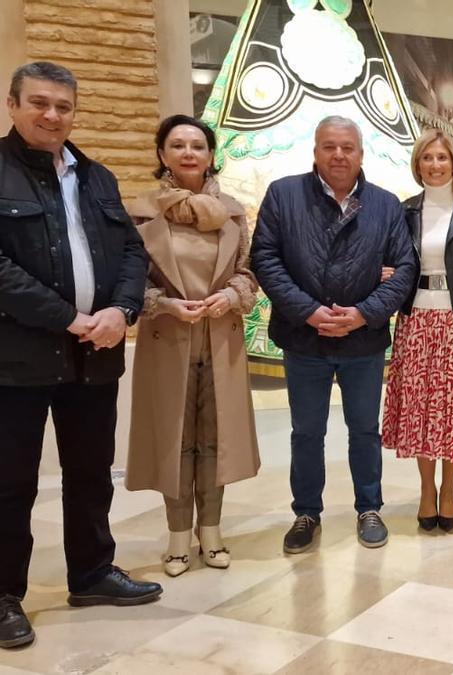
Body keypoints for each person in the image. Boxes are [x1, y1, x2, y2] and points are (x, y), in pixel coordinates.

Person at [0, 61, 160, 650]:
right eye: (39, 103)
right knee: (9, 481)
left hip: (95, 354)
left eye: (63, 106)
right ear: (13, 105)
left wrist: (122, 312)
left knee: (90, 474)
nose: (51, 115)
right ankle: (3, 596)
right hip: (15, 356)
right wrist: (67, 316)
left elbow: (131, 252)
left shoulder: (96, 177)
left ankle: (91, 572)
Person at [251, 116, 417, 554]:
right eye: (329, 146)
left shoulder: (386, 204)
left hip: (363, 341)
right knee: (306, 431)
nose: (338, 155)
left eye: (347, 147)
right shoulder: (284, 195)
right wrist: (308, 312)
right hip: (304, 340)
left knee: (364, 429)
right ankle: (306, 513)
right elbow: (265, 259)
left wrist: (364, 314)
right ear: (315, 151)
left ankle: (369, 508)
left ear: (361, 154)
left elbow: (405, 269)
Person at [124, 115, 261, 576]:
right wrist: (162, 304)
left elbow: (248, 272)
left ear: (210, 154)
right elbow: (125, 282)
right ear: (161, 153)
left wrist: (229, 295)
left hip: (220, 339)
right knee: (175, 440)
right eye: (177, 145)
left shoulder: (234, 213)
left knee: (215, 441)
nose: (188, 153)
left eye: (197, 146)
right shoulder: (142, 213)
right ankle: (179, 538)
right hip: (167, 339)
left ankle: (213, 533)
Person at [381, 129, 453, 533]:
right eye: (427, 158)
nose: (435, 164)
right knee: (421, 412)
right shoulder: (404, 211)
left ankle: (449, 490)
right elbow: (393, 263)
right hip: (416, 321)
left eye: (442, 157)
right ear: (418, 164)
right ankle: (426, 490)